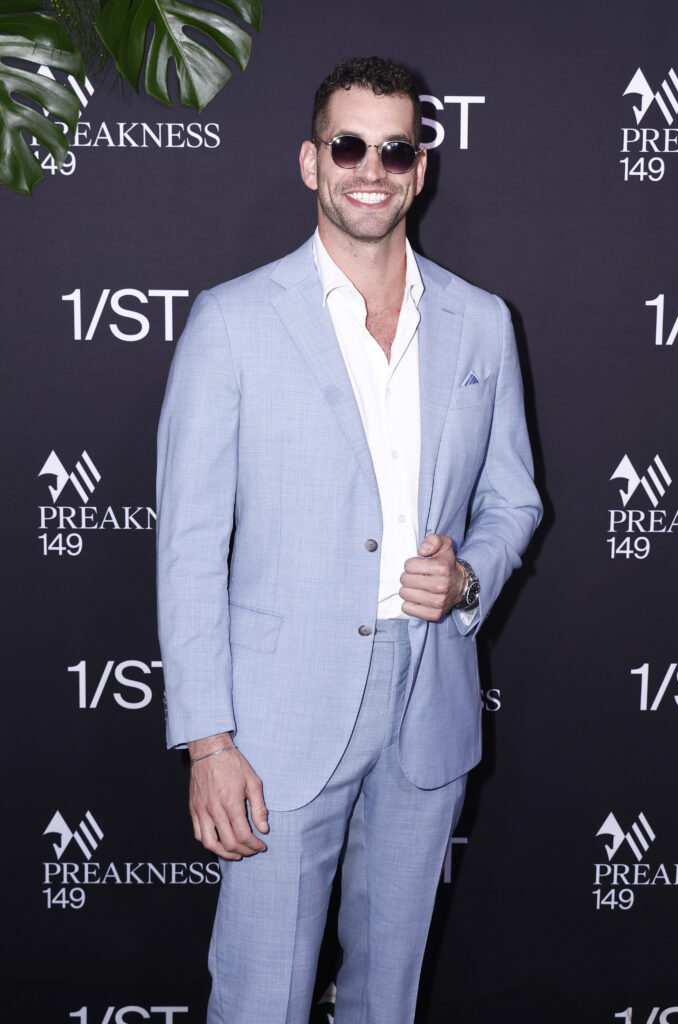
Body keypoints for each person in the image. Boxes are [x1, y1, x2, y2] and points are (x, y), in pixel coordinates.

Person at [157, 55, 542, 1024]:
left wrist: (463, 580)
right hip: (277, 722)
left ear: (419, 169)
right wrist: (210, 739)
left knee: (387, 990)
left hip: (429, 702)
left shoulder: (481, 324)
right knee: (260, 991)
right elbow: (190, 544)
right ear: (309, 162)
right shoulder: (232, 321)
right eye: (348, 145)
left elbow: (514, 501)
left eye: (394, 147)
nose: (369, 166)